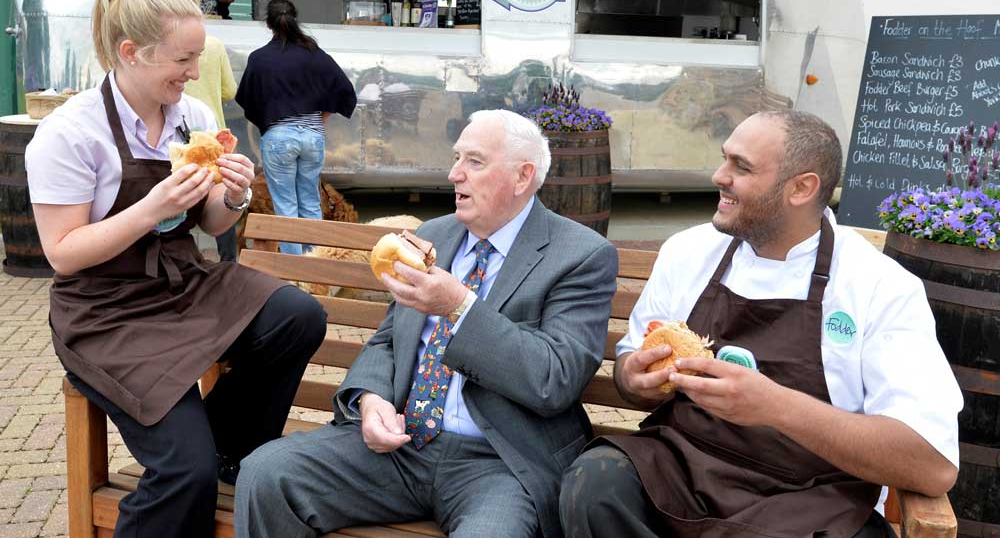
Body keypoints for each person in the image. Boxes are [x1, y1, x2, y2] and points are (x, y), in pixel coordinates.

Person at [24, 0, 328, 538]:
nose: (194, 73)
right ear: (130, 53)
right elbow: (63, 252)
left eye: (199, 57)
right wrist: (154, 206)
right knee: (181, 476)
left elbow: (211, 225)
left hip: (184, 285)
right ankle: (194, 462)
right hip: (106, 308)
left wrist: (234, 196)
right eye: (184, 59)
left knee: (298, 315)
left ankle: (226, 451)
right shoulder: (69, 133)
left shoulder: (191, 115)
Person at [559, 110, 962, 538]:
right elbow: (631, 363)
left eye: (741, 167)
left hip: (811, 495)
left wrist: (774, 406)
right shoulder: (689, 251)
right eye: (724, 158)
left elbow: (932, 464)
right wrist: (634, 379)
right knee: (596, 484)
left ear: (802, 188)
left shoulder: (878, 286)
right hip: (682, 466)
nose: (718, 176)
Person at [234, 109, 619, 538]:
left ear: (522, 176)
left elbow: (554, 379)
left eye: (474, 161)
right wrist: (371, 399)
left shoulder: (580, 256)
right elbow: (387, 340)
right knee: (266, 473)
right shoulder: (436, 234)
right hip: (401, 448)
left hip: (498, 463)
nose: (454, 174)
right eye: (456, 158)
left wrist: (459, 306)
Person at [236, 0, 356, 256]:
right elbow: (345, 90)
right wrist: (319, 118)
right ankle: (315, 266)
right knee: (311, 202)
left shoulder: (259, 58)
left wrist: (270, 123)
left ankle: (295, 269)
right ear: (295, 19)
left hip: (279, 139)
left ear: (268, 24)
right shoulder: (315, 54)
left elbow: (247, 98)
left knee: (285, 207)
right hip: (313, 137)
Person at [182, 0, 240, 261]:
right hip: (211, 132)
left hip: (180, 133)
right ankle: (228, 259)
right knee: (220, 189)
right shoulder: (215, 45)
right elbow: (229, 91)